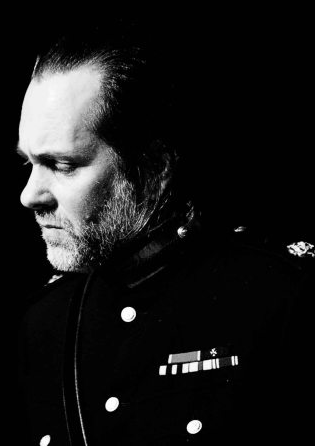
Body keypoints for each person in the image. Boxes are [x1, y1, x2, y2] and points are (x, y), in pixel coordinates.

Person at [16, 24, 313, 445]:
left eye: (62, 165)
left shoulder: (280, 296)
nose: (29, 195)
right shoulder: (46, 322)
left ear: (154, 167)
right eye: (28, 163)